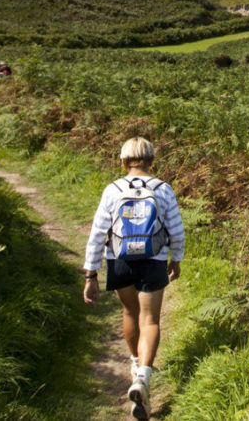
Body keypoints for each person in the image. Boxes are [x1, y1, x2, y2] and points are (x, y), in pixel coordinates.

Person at [83, 137, 185, 420]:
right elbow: (176, 229)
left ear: (124, 161)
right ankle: (143, 376)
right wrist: (176, 258)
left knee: (130, 312)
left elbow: (96, 235)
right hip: (153, 260)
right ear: (152, 161)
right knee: (150, 320)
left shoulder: (112, 190)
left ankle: (135, 363)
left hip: (120, 260)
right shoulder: (163, 189)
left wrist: (91, 274)